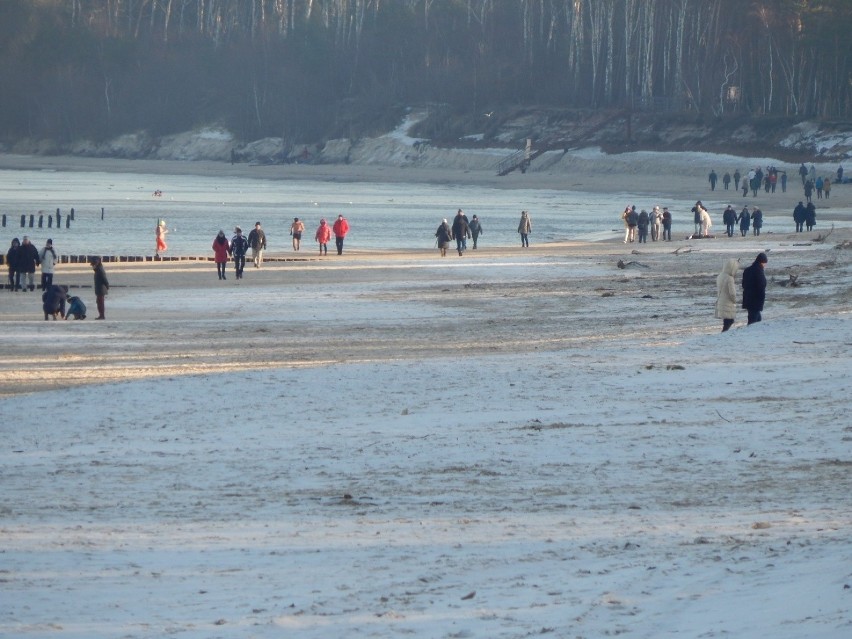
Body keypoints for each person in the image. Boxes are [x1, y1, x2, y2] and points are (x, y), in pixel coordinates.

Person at [742, 252, 768, 325]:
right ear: (762, 262)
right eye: (764, 263)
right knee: (753, 321)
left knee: (756, 319)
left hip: (748, 298)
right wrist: (761, 301)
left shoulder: (747, 270)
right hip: (756, 300)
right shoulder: (759, 271)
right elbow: (761, 286)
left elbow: (743, 285)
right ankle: (749, 334)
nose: (765, 265)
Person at [715, 259, 739, 332]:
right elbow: (732, 293)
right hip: (728, 304)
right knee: (729, 321)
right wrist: (735, 301)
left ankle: (724, 334)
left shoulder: (720, 276)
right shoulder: (730, 278)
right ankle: (724, 334)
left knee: (726, 321)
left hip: (721, 302)